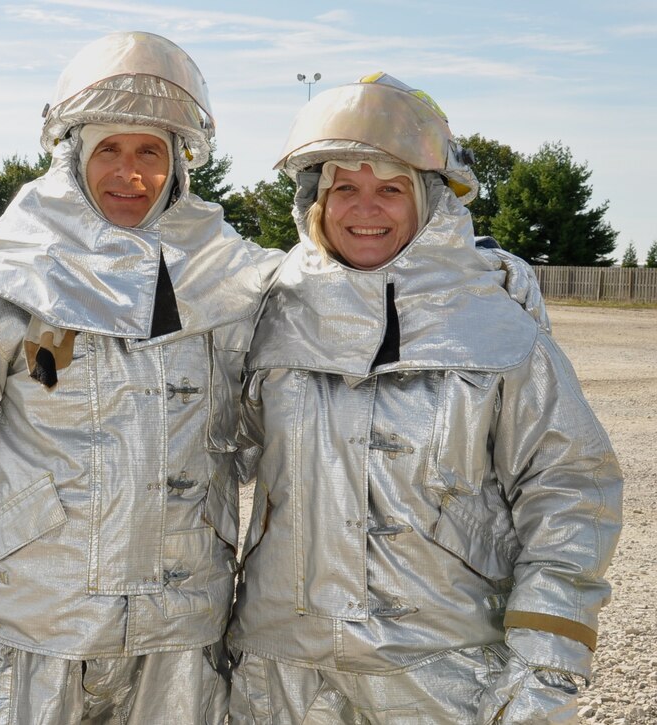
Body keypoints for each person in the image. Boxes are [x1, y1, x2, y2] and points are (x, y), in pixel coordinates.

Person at [0, 31, 279, 724]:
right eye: (110, 150)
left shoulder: (231, 285)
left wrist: (477, 277)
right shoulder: (8, 287)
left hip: (179, 632)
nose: (130, 174)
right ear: (73, 157)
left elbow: (349, 301)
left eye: (150, 151)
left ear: (179, 164)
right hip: (35, 624)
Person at [225, 73, 623, 724]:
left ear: (429, 201)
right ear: (314, 201)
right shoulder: (270, 317)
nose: (365, 208)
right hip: (281, 682)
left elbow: (571, 494)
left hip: (442, 680)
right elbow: (198, 459)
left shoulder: (496, 331)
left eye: (390, 189)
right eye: (345, 188)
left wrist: (544, 662)